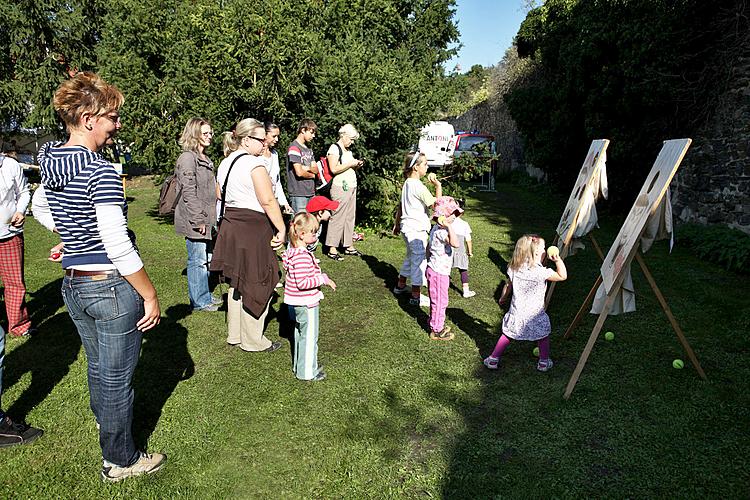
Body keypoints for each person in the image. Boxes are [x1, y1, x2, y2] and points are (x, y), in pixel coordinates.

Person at [37, 72, 165, 481]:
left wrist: (70, 236)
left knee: (98, 367)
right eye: (112, 116)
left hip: (74, 284)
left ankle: (106, 427)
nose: (117, 124)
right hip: (109, 286)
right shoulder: (101, 171)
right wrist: (148, 294)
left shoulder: (49, 158)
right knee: (116, 379)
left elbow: (39, 202)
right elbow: (116, 242)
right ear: (89, 118)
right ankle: (121, 459)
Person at [211, 118, 285, 353]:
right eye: (260, 139)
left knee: (238, 279)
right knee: (258, 278)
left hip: (231, 225)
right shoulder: (255, 165)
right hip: (252, 227)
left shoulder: (225, 163)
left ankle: (236, 334)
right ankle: (253, 340)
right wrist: (281, 229)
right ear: (245, 140)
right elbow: (267, 200)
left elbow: (219, 194)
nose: (265, 143)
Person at [483, 234, 567, 372]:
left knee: (508, 334)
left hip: (518, 312)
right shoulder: (541, 272)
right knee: (542, 336)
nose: (545, 251)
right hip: (535, 313)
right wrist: (557, 260)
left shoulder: (514, 268)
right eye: (543, 248)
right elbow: (562, 276)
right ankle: (543, 362)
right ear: (537, 253)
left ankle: (493, 359)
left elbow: (509, 285)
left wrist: (503, 297)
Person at [173, 117, 222, 312]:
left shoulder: (205, 158)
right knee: (198, 260)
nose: (210, 136)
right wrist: (198, 218)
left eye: (210, 133)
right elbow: (188, 191)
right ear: (194, 134)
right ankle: (200, 301)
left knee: (206, 258)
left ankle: (205, 294)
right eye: (205, 133)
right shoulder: (187, 158)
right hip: (195, 218)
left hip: (207, 217)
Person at [282, 212, 336, 381]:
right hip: (307, 303)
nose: (315, 235)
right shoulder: (302, 257)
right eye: (313, 233)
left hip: (297, 303)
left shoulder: (293, 253)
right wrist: (322, 278)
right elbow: (303, 283)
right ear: (301, 234)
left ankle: (300, 366)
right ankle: (306, 372)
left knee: (300, 334)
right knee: (310, 337)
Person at [392, 151, 441, 308]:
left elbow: (401, 205)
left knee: (411, 256)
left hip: (408, 227)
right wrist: (438, 186)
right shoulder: (418, 186)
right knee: (419, 261)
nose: (427, 167)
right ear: (415, 167)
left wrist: (397, 223)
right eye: (425, 164)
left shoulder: (407, 183)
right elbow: (437, 206)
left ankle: (400, 285)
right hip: (416, 229)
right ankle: (416, 295)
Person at [0, 152, 33, 337]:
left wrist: (20, 211)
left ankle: (20, 326)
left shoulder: (11, 165)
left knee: (15, 283)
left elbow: (24, 192)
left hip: (9, 234)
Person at [323, 124, 364, 261]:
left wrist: (356, 165)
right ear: (344, 135)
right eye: (351, 139)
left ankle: (348, 245)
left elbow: (347, 167)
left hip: (351, 186)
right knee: (338, 216)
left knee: (349, 217)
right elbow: (334, 169)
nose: (352, 142)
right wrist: (351, 164)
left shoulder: (347, 150)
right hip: (340, 187)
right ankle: (332, 247)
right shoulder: (334, 148)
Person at [426, 197, 462, 341]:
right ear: (443, 218)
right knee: (440, 301)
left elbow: (428, 249)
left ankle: (434, 322)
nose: (454, 218)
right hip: (438, 272)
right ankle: (436, 330)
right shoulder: (442, 232)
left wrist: (428, 259)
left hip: (435, 269)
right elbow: (455, 243)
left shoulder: (435, 229)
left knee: (437, 299)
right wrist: (449, 227)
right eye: (452, 216)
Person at [286, 118, 318, 214]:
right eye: (311, 132)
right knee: (300, 224)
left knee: (311, 223)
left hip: (311, 192)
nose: (313, 136)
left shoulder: (308, 149)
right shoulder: (294, 148)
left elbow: (316, 169)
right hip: (298, 193)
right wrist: (312, 175)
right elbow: (299, 172)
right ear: (303, 130)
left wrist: (307, 168)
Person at [263, 121, 292, 214]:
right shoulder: (256, 156)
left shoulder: (275, 154)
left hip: (273, 200)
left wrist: (284, 203)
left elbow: (277, 181)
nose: (277, 139)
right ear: (265, 135)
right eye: (274, 136)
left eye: (278, 136)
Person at [451, 199, 476, 298]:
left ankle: (442, 286)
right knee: (463, 269)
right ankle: (466, 290)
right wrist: (470, 252)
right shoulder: (464, 224)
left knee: (446, 268)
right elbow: (468, 240)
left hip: (449, 249)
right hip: (460, 250)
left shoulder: (448, 222)